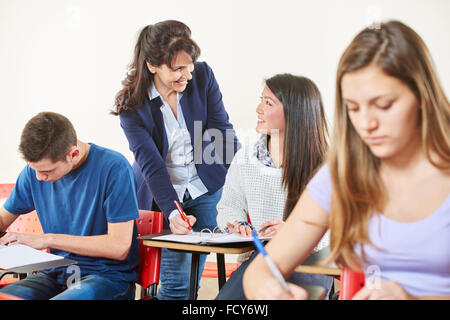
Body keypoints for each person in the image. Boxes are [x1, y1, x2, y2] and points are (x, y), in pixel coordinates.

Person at [243, 20, 450, 300]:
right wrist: (270, 291)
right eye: (353, 108)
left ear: (422, 96)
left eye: (384, 105)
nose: (366, 123)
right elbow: (262, 270)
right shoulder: (343, 174)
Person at [113, 20, 240, 300]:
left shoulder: (203, 76)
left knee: (192, 281)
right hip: (164, 198)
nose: (187, 75)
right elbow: (151, 165)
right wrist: (173, 212)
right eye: (178, 69)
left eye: (189, 66)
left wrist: (240, 181)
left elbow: (221, 130)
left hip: (205, 189)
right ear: (152, 65)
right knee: (176, 287)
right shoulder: (131, 106)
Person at [215, 73, 333, 299]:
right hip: (262, 259)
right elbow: (228, 207)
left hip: (311, 263)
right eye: (261, 99)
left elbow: (340, 228)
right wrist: (237, 224)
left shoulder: (327, 166)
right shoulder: (245, 158)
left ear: (294, 112)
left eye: (268, 103)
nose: (258, 109)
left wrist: (296, 233)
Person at [0, 112, 140, 300]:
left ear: (73, 154)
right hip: (55, 274)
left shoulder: (114, 168)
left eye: (46, 171)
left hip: (106, 278)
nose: (38, 178)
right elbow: (3, 219)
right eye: (33, 169)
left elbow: (119, 247)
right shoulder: (34, 173)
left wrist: (46, 240)